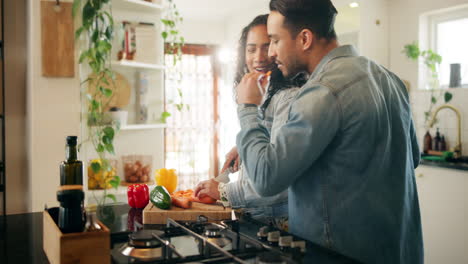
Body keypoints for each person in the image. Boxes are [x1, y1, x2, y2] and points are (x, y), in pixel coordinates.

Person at [235, 0, 423, 263]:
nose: (272, 54)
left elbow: (267, 178)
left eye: (275, 41)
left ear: (304, 38)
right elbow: (413, 158)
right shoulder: (389, 78)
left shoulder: (323, 90)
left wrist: (247, 108)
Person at [194, 14, 304, 227]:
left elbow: (277, 182)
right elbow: (270, 151)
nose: (259, 57)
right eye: (251, 49)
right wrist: (243, 149)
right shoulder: (264, 92)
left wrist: (224, 191)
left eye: (267, 46)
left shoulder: (289, 97)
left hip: (279, 226)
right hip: (255, 220)